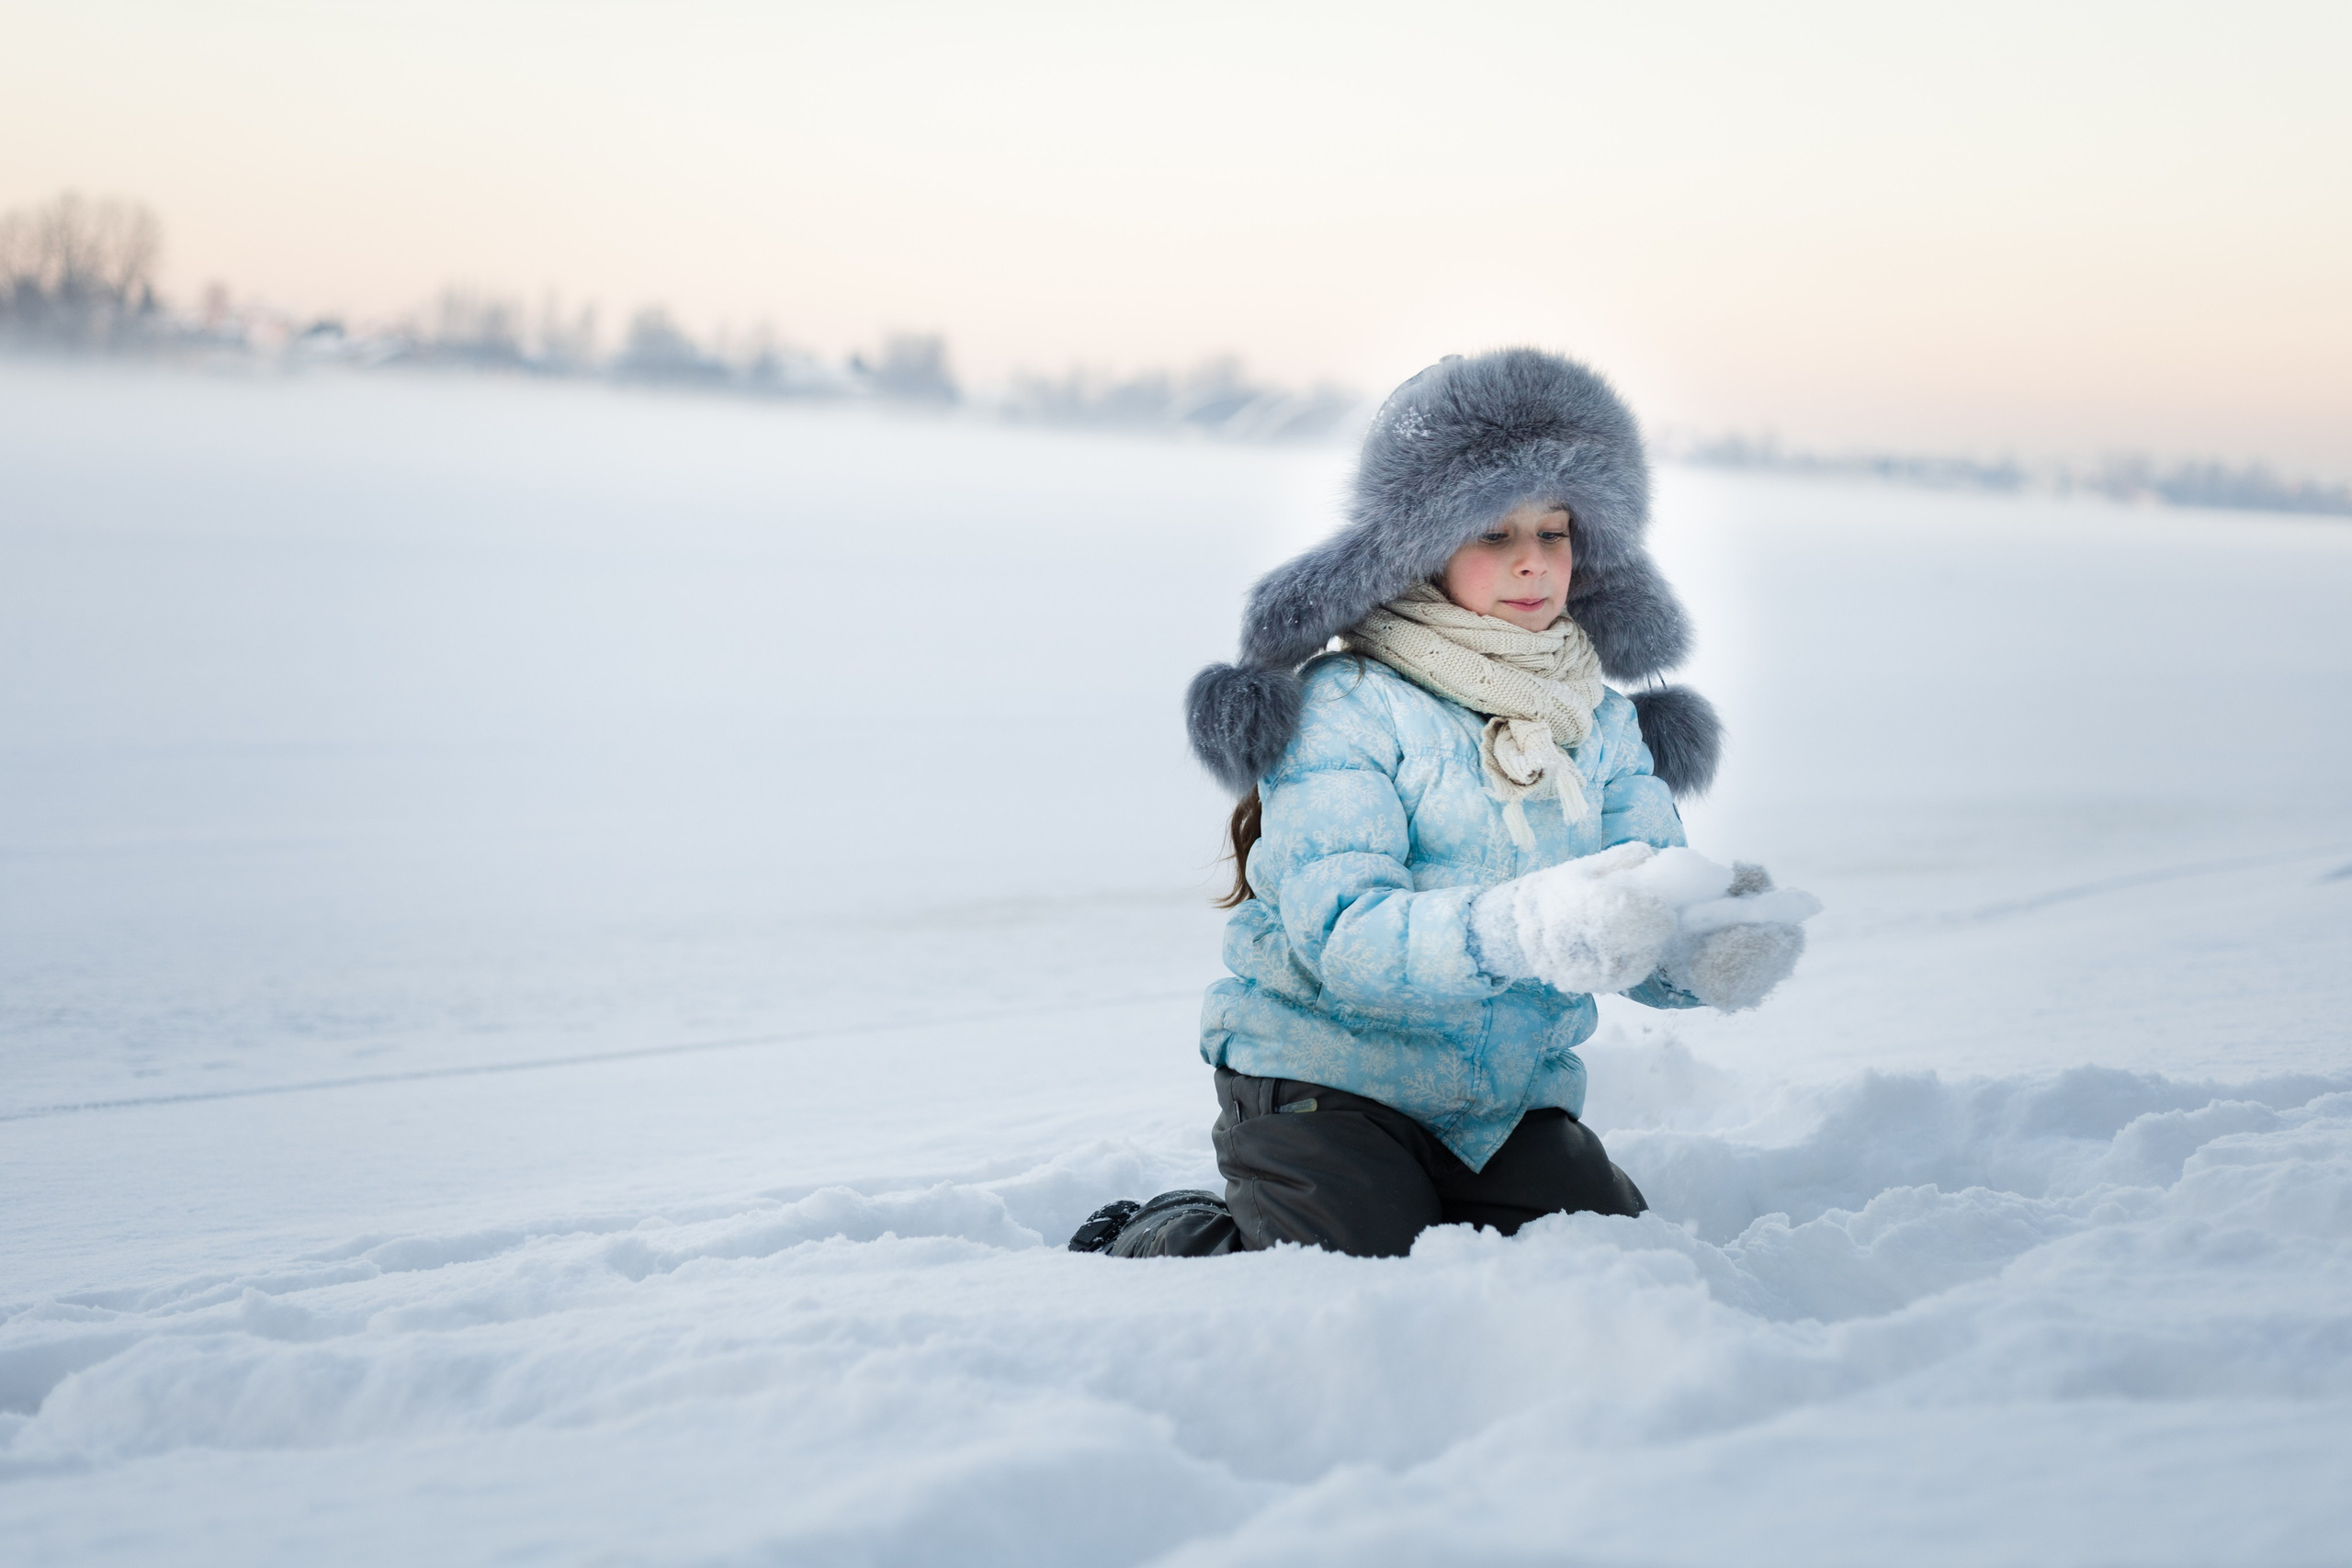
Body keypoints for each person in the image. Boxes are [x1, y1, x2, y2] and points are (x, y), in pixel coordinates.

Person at [1069, 347, 1815, 1259]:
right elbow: (1343, 936)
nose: (1532, 564)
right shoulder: (1347, 705)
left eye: (1555, 533)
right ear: (1423, 544)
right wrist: (1528, 926)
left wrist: (1704, 948)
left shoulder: (1602, 721)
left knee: (1603, 1252)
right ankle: (1167, 1232)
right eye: (1493, 536)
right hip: (1322, 1078)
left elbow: (1635, 908)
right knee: (1335, 1267)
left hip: (1498, 1101)